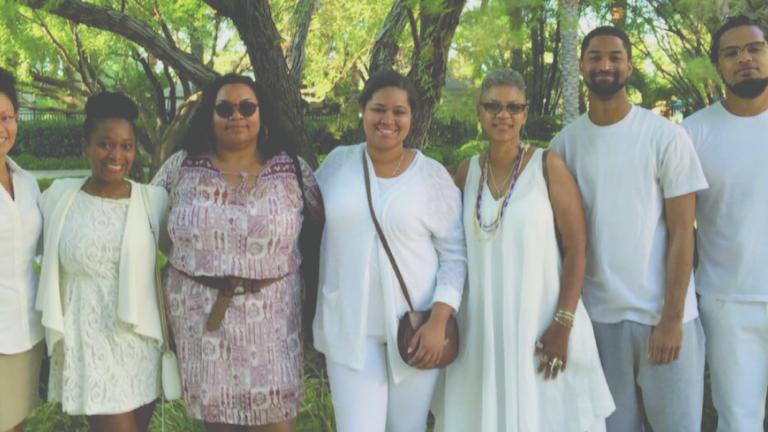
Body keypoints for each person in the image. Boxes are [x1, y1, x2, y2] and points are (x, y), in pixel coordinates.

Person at [434, 69, 614, 432]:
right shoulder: (464, 173)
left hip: (541, 324)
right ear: (479, 111)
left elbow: (578, 248)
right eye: (493, 106)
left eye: (514, 107)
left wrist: (562, 324)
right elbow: (445, 249)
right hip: (480, 330)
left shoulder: (548, 166)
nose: (504, 115)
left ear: (525, 113)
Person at [550, 26, 708, 432]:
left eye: (615, 57)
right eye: (596, 57)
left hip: (665, 321)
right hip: (598, 324)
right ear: (582, 65)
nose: (605, 65)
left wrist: (672, 318)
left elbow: (682, 233)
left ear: (629, 66)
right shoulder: (564, 146)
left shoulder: (665, 137)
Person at [151, 73, 323, 432]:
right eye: (224, 108)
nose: (236, 116)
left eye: (247, 107)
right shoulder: (181, 167)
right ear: (209, 116)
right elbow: (148, 226)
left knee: (276, 424)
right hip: (202, 322)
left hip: (275, 323)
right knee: (219, 426)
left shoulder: (292, 169)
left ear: (262, 115)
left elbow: (328, 232)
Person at [312, 70, 466, 432]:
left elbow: (455, 256)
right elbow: (301, 219)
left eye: (400, 112)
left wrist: (439, 321)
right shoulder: (337, 165)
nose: (388, 120)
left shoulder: (431, 176)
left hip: (416, 329)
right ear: (362, 111)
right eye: (379, 109)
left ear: (412, 118)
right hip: (349, 328)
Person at [35, 92, 168, 432]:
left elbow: (188, 253)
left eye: (126, 146)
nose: (116, 155)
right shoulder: (58, 198)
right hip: (90, 344)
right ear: (86, 145)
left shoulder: (152, 200)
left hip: (140, 344)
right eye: (105, 144)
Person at [682, 16, 768, 432]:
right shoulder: (693, 134)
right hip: (727, 302)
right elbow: (678, 226)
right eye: (731, 53)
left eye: (754, 48)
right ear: (719, 65)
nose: (744, 59)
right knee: (739, 420)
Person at [0, 67, 44, 432]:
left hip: (28, 332)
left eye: (5, 117)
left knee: (17, 424)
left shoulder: (27, 182)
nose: (1, 128)